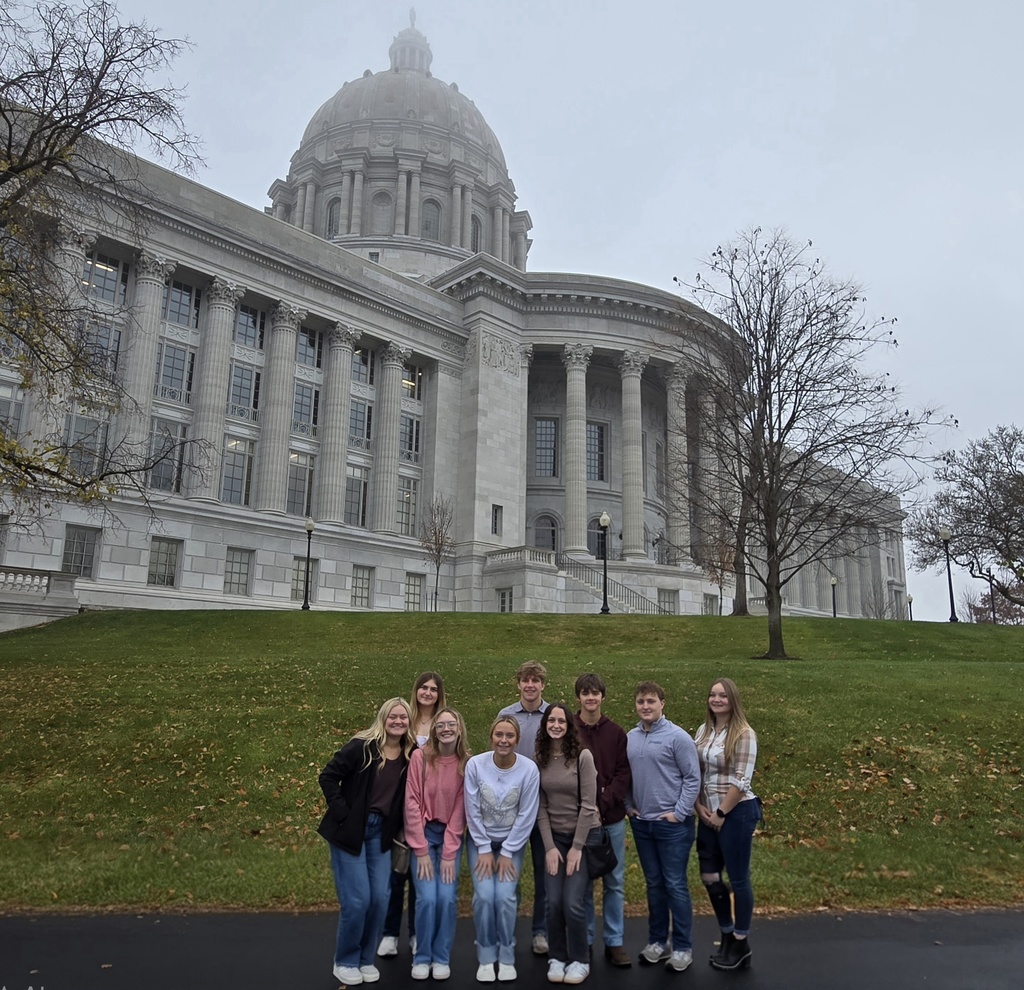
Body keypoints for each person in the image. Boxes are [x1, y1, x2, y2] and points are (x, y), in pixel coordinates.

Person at [318, 698, 417, 987]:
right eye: (393, 716)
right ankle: (345, 960)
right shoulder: (362, 747)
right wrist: (343, 813)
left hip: (380, 833)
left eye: (403, 717)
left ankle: (364, 959)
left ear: (409, 722)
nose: (398, 721)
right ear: (383, 718)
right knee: (357, 900)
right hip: (350, 832)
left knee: (380, 898)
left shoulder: (410, 754)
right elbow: (328, 776)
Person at [625, 680, 700, 974]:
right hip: (642, 824)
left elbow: (692, 778)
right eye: (641, 701)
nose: (646, 706)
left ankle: (682, 947)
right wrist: (628, 806)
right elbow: (625, 774)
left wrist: (679, 813)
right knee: (654, 884)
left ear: (662, 704)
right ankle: (658, 942)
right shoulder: (630, 738)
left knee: (675, 884)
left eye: (651, 701)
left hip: (672, 827)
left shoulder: (678, 737)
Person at [464, 715, 541, 983]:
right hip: (480, 841)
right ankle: (486, 954)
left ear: (517, 740)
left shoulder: (529, 770)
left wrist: (508, 851)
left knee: (506, 897)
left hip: (512, 843)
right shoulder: (476, 765)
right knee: (485, 896)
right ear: (491, 737)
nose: (504, 740)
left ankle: (506, 952)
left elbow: (527, 814)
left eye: (509, 736)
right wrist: (484, 847)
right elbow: (472, 810)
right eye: (499, 735)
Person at [694, 678, 760, 972]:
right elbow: (695, 772)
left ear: (733, 700)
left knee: (738, 878)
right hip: (706, 813)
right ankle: (726, 932)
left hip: (736, 813)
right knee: (709, 876)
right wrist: (699, 807)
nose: (716, 699)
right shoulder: (703, 730)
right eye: (712, 695)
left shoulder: (744, 734)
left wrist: (721, 812)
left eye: (722, 695)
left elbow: (742, 780)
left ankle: (741, 942)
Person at [379, 672, 446, 958]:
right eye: (423, 687)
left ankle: (417, 933)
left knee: (422, 875)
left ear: (439, 694)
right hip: (400, 805)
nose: (428, 693)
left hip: (430, 809)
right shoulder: (405, 719)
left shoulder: (443, 722)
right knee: (397, 873)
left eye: (433, 689)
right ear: (415, 690)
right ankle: (390, 933)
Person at [535, 702, 601, 985]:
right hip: (554, 839)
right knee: (552, 901)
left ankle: (580, 959)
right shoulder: (540, 757)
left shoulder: (582, 757)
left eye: (561, 721)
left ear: (569, 725)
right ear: (545, 724)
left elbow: (588, 805)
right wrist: (550, 847)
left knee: (573, 902)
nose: (556, 725)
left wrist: (576, 848)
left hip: (582, 839)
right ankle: (558, 957)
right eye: (551, 721)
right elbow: (540, 807)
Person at [404, 706, 469, 981]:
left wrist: (449, 852)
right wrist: (420, 849)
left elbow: (461, 809)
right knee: (427, 898)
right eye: (440, 725)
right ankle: (422, 957)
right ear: (434, 730)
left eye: (451, 724)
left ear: (459, 728)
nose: (446, 729)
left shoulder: (466, 763)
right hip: (423, 836)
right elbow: (411, 802)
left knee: (446, 898)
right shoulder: (420, 758)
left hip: (449, 838)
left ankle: (441, 957)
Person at [573, 673, 632, 968]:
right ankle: (584, 940)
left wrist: (602, 804)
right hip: (578, 821)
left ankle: (614, 941)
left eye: (595, 693)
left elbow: (623, 774)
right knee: (584, 884)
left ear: (602, 697)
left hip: (611, 819)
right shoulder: (569, 729)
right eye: (585, 693)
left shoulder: (616, 733)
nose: (590, 698)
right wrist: (586, 808)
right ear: (579, 697)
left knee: (614, 881)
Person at [497, 660, 550, 955]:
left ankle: (541, 931)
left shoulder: (553, 716)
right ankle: (507, 929)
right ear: (518, 684)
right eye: (525, 680)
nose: (530, 685)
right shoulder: (506, 715)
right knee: (510, 870)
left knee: (544, 872)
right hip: (511, 807)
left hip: (544, 806)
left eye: (535, 680)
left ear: (543, 685)